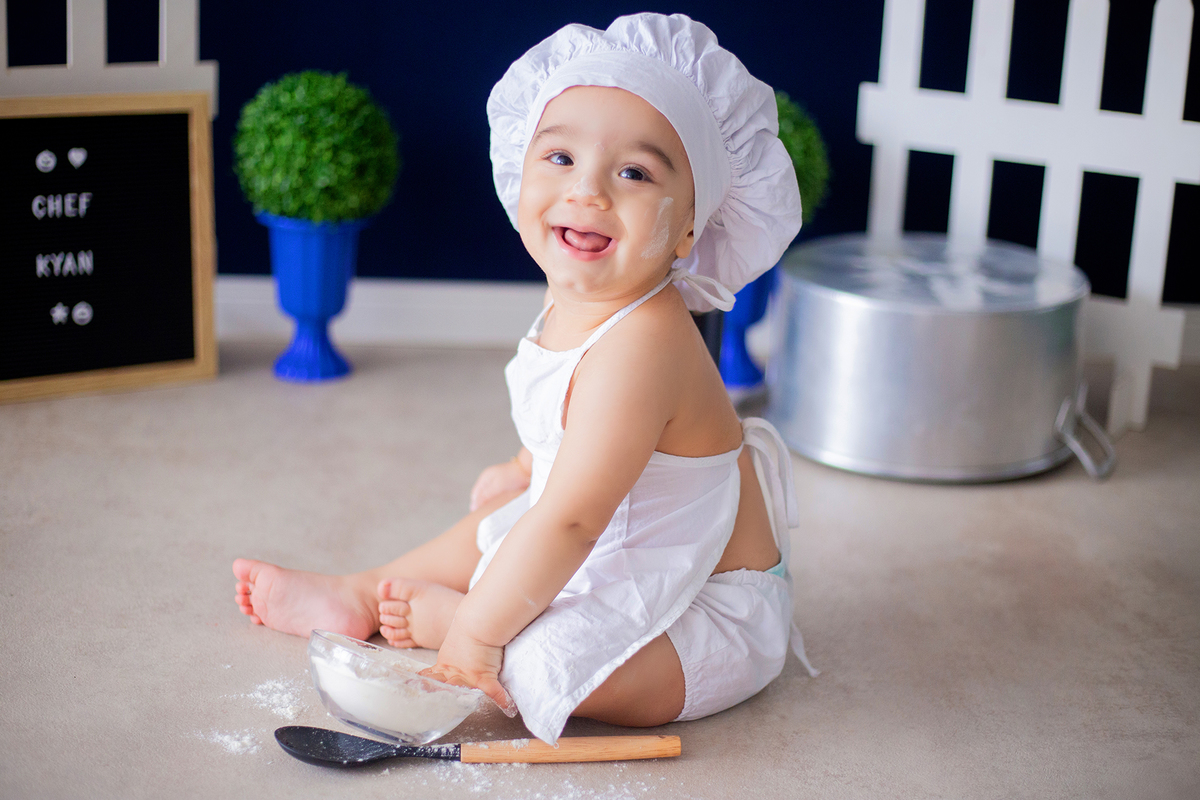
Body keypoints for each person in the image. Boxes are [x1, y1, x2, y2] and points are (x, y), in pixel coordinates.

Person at [232, 12, 815, 745]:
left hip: (706, 605)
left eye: (634, 172)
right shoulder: (575, 295)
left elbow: (573, 520)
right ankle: (356, 593)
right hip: (613, 543)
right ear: (520, 172)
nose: (589, 191)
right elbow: (572, 458)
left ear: (690, 228)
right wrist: (524, 465)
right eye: (560, 158)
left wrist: (472, 637)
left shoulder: (647, 343)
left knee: (547, 662)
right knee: (503, 523)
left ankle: (483, 629)